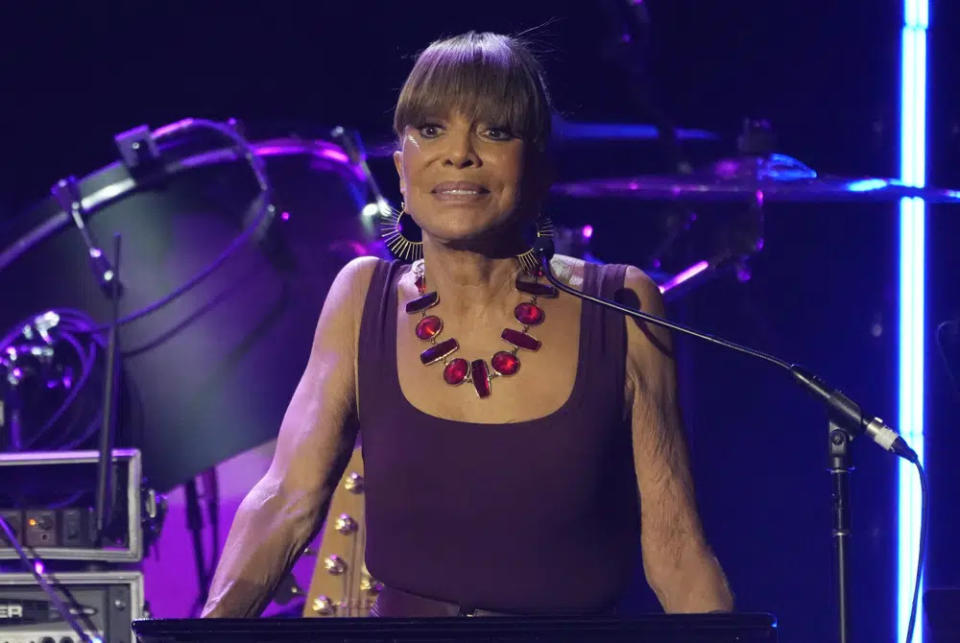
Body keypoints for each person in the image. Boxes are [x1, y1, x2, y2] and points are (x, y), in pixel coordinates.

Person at [202, 30, 732, 618]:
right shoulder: (361, 296)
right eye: (431, 130)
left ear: (537, 169)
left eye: (495, 131)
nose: (459, 152)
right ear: (402, 169)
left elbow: (677, 549)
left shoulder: (622, 305)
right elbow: (286, 500)